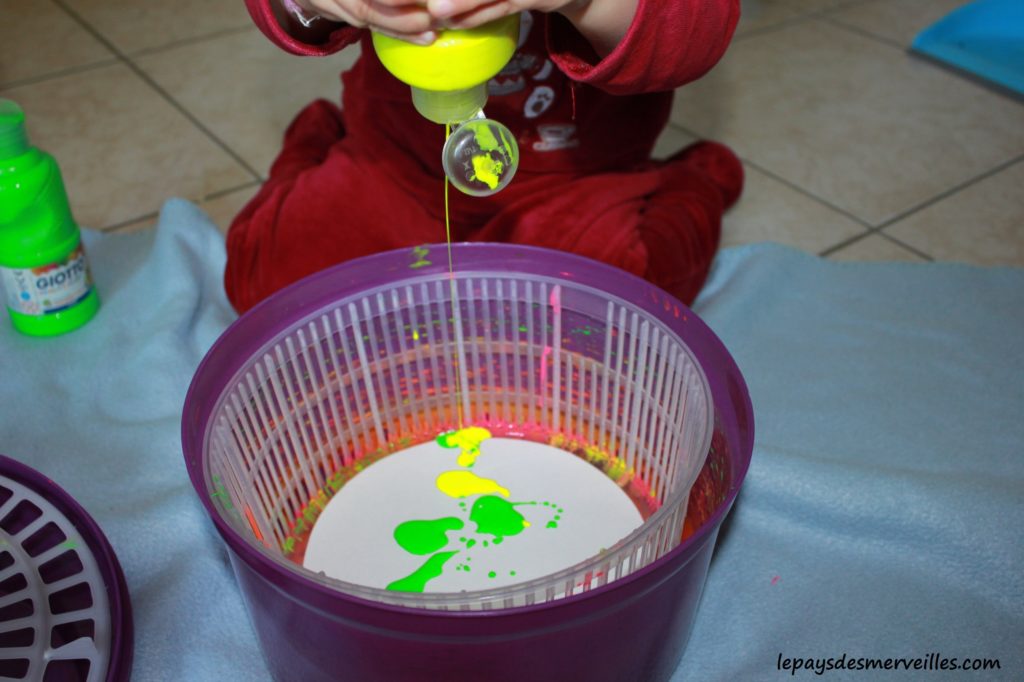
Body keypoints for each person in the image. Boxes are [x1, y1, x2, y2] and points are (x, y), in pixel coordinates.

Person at [228, 0, 744, 313]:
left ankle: (691, 183)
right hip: (395, 163)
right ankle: (314, 143)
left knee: (620, 312)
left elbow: (695, 35)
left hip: (573, 179)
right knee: (270, 289)